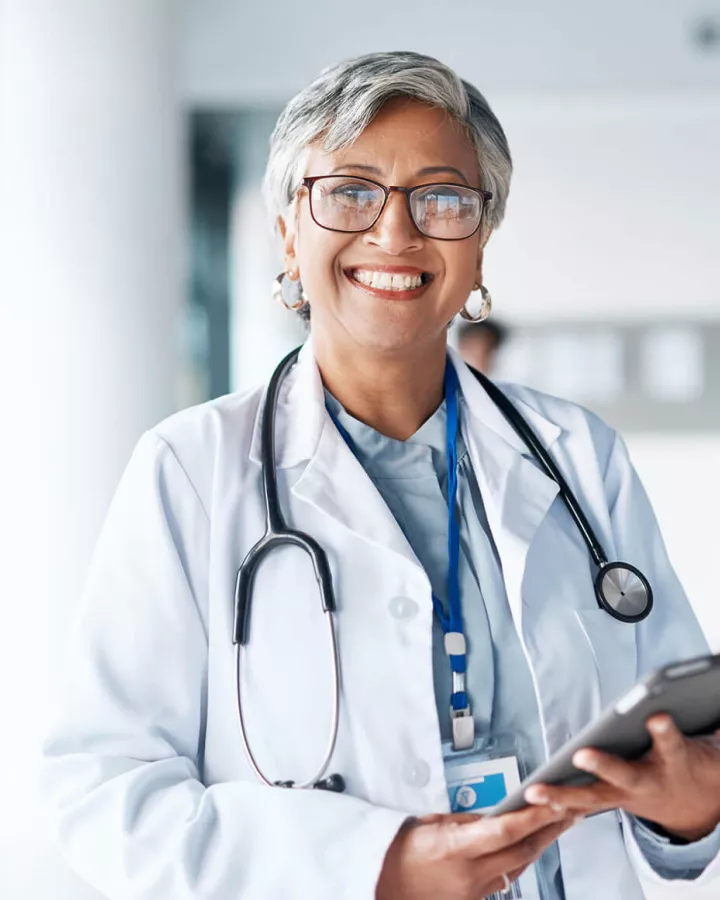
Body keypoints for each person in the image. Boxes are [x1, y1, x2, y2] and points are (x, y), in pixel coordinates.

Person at [41, 51, 720, 900]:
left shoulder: (579, 457)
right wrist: (378, 863)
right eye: (351, 192)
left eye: (442, 199)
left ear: (478, 247)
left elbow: (686, 744)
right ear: (289, 233)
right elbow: (103, 793)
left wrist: (691, 807)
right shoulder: (189, 470)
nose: (395, 234)